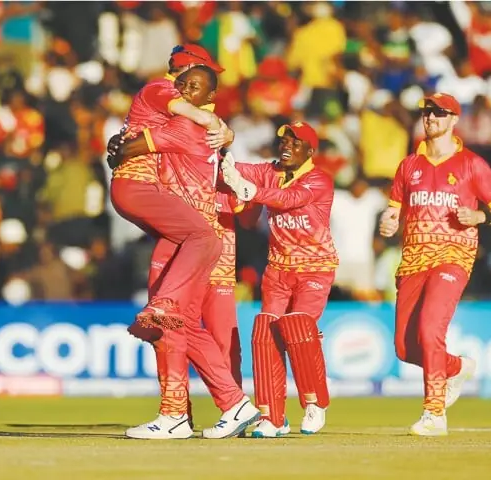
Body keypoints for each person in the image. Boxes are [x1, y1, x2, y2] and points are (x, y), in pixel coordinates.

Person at [112, 66, 260, 440]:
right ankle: (232, 403)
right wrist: (225, 129)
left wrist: (120, 143)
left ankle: (175, 414)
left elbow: (123, 151)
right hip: (198, 235)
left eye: (191, 87)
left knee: (168, 322)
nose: (179, 89)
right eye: (180, 83)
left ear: (207, 100)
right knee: (184, 327)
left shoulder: (182, 127)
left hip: (185, 237)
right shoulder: (211, 134)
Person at [378, 92, 491, 436]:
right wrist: (389, 221)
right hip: (412, 260)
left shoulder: (471, 164)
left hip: (453, 256)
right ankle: (456, 368)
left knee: (430, 329)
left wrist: (481, 215)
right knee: (405, 348)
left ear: (454, 119)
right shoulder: (409, 165)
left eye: (440, 113)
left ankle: (434, 414)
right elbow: (394, 208)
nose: (431, 118)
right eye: (427, 112)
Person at [221, 121, 337, 437]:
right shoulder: (270, 172)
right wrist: (222, 153)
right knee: (265, 330)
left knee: (298, 325)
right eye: (284, 141)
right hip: (278, 270)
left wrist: (251, 190)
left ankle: (315, 402)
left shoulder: (319, 180)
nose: (286, 146)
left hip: (315, 267)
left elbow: (289, 199)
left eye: (295, 143)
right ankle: (272, 417)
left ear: (310, 151)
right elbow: (237, 167)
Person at [108, 44, 234, 330]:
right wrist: (221, 130)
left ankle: (168, 315)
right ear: (189, 67)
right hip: (140, 184)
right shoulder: (162, 89)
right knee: (205, 237)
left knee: (189, 243)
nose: (206, 79)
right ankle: (161, 307)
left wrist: (227, 134)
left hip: (149, 187)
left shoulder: (172, 97)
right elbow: (201, 120)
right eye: (202, 72)